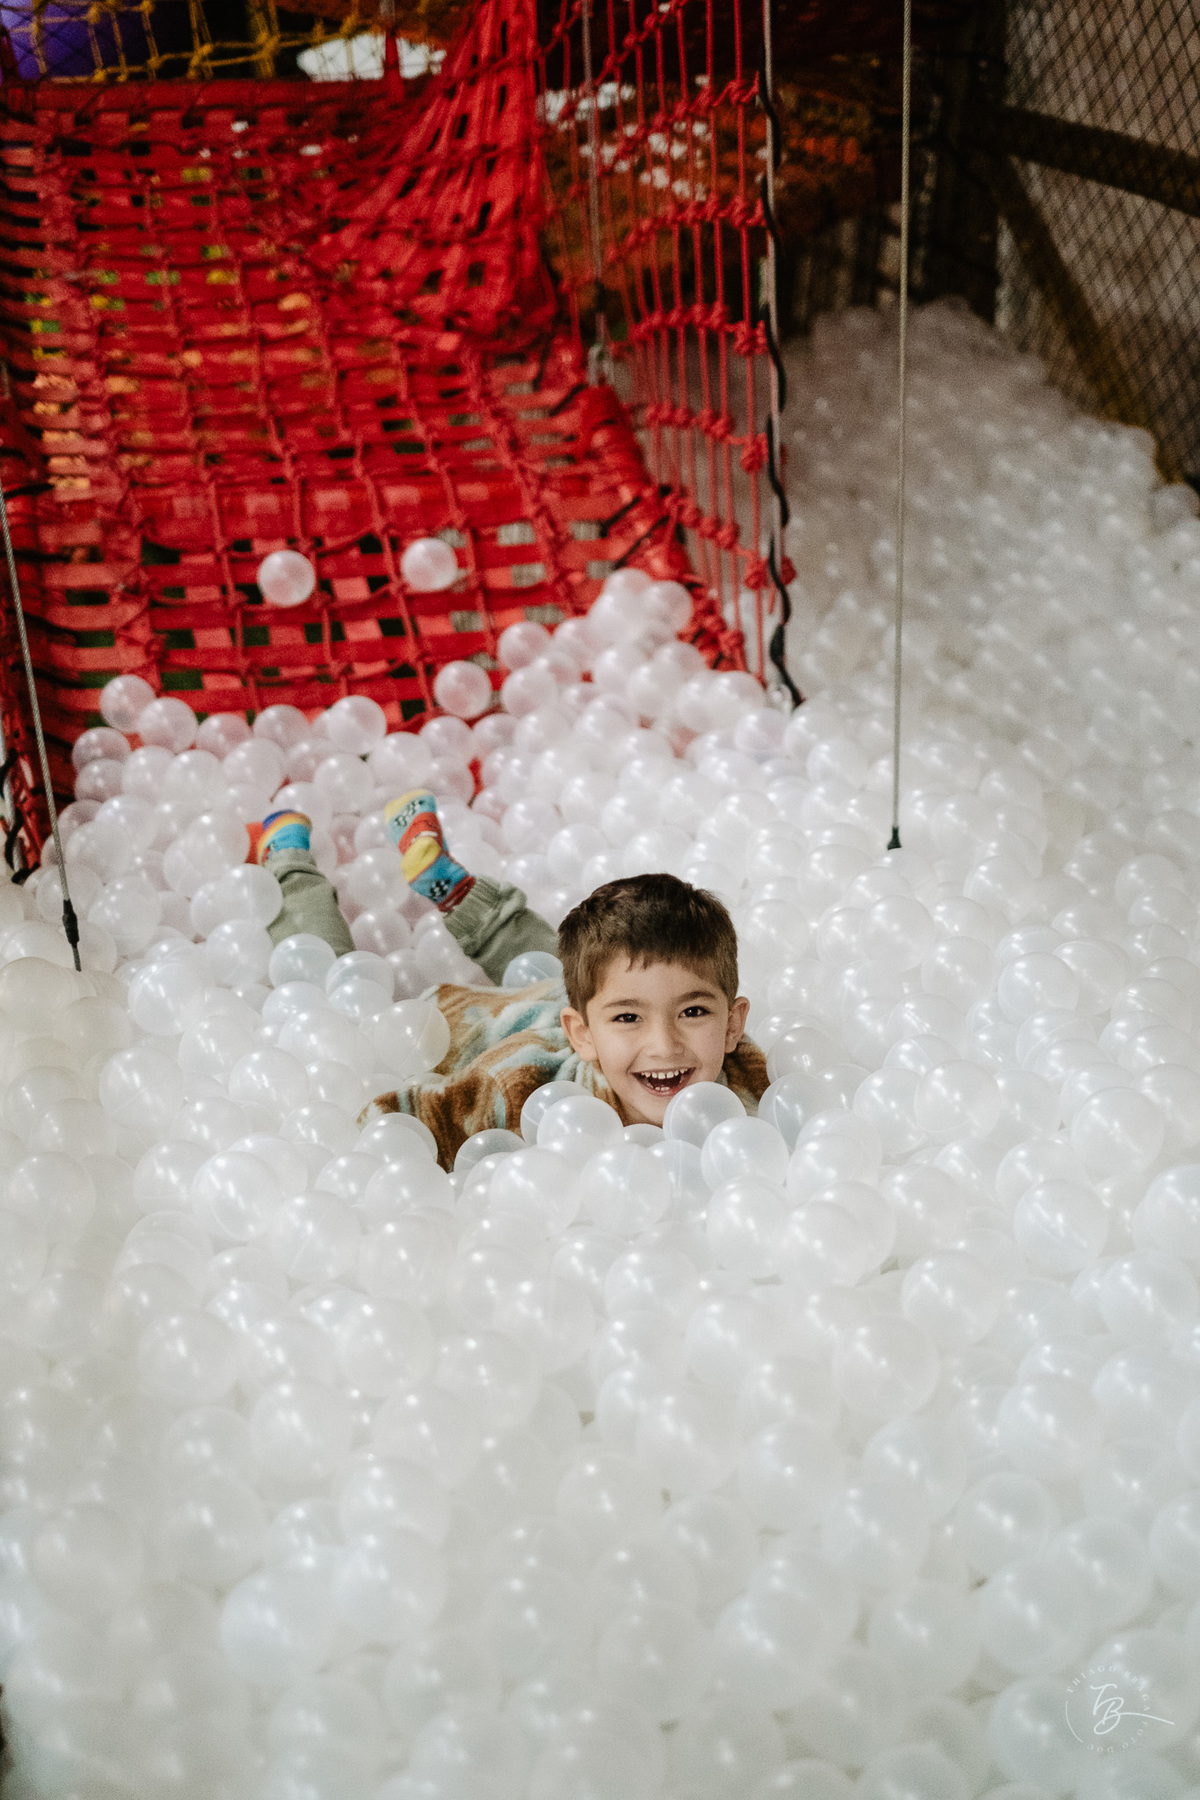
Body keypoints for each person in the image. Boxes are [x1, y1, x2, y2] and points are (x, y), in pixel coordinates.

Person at [253, 791, 767, 1167]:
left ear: (732, 1025)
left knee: (566, 966)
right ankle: (290, 861)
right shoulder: (522, 1095)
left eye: (693, 1012)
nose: (664, 1045)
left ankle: (456, 889)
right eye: (632, 1019)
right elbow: (399, 1118)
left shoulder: (746, 1071)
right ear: (580, 1036)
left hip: (558, 997)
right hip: (460, 1023)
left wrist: (623, 1017)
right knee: (330, 1001)